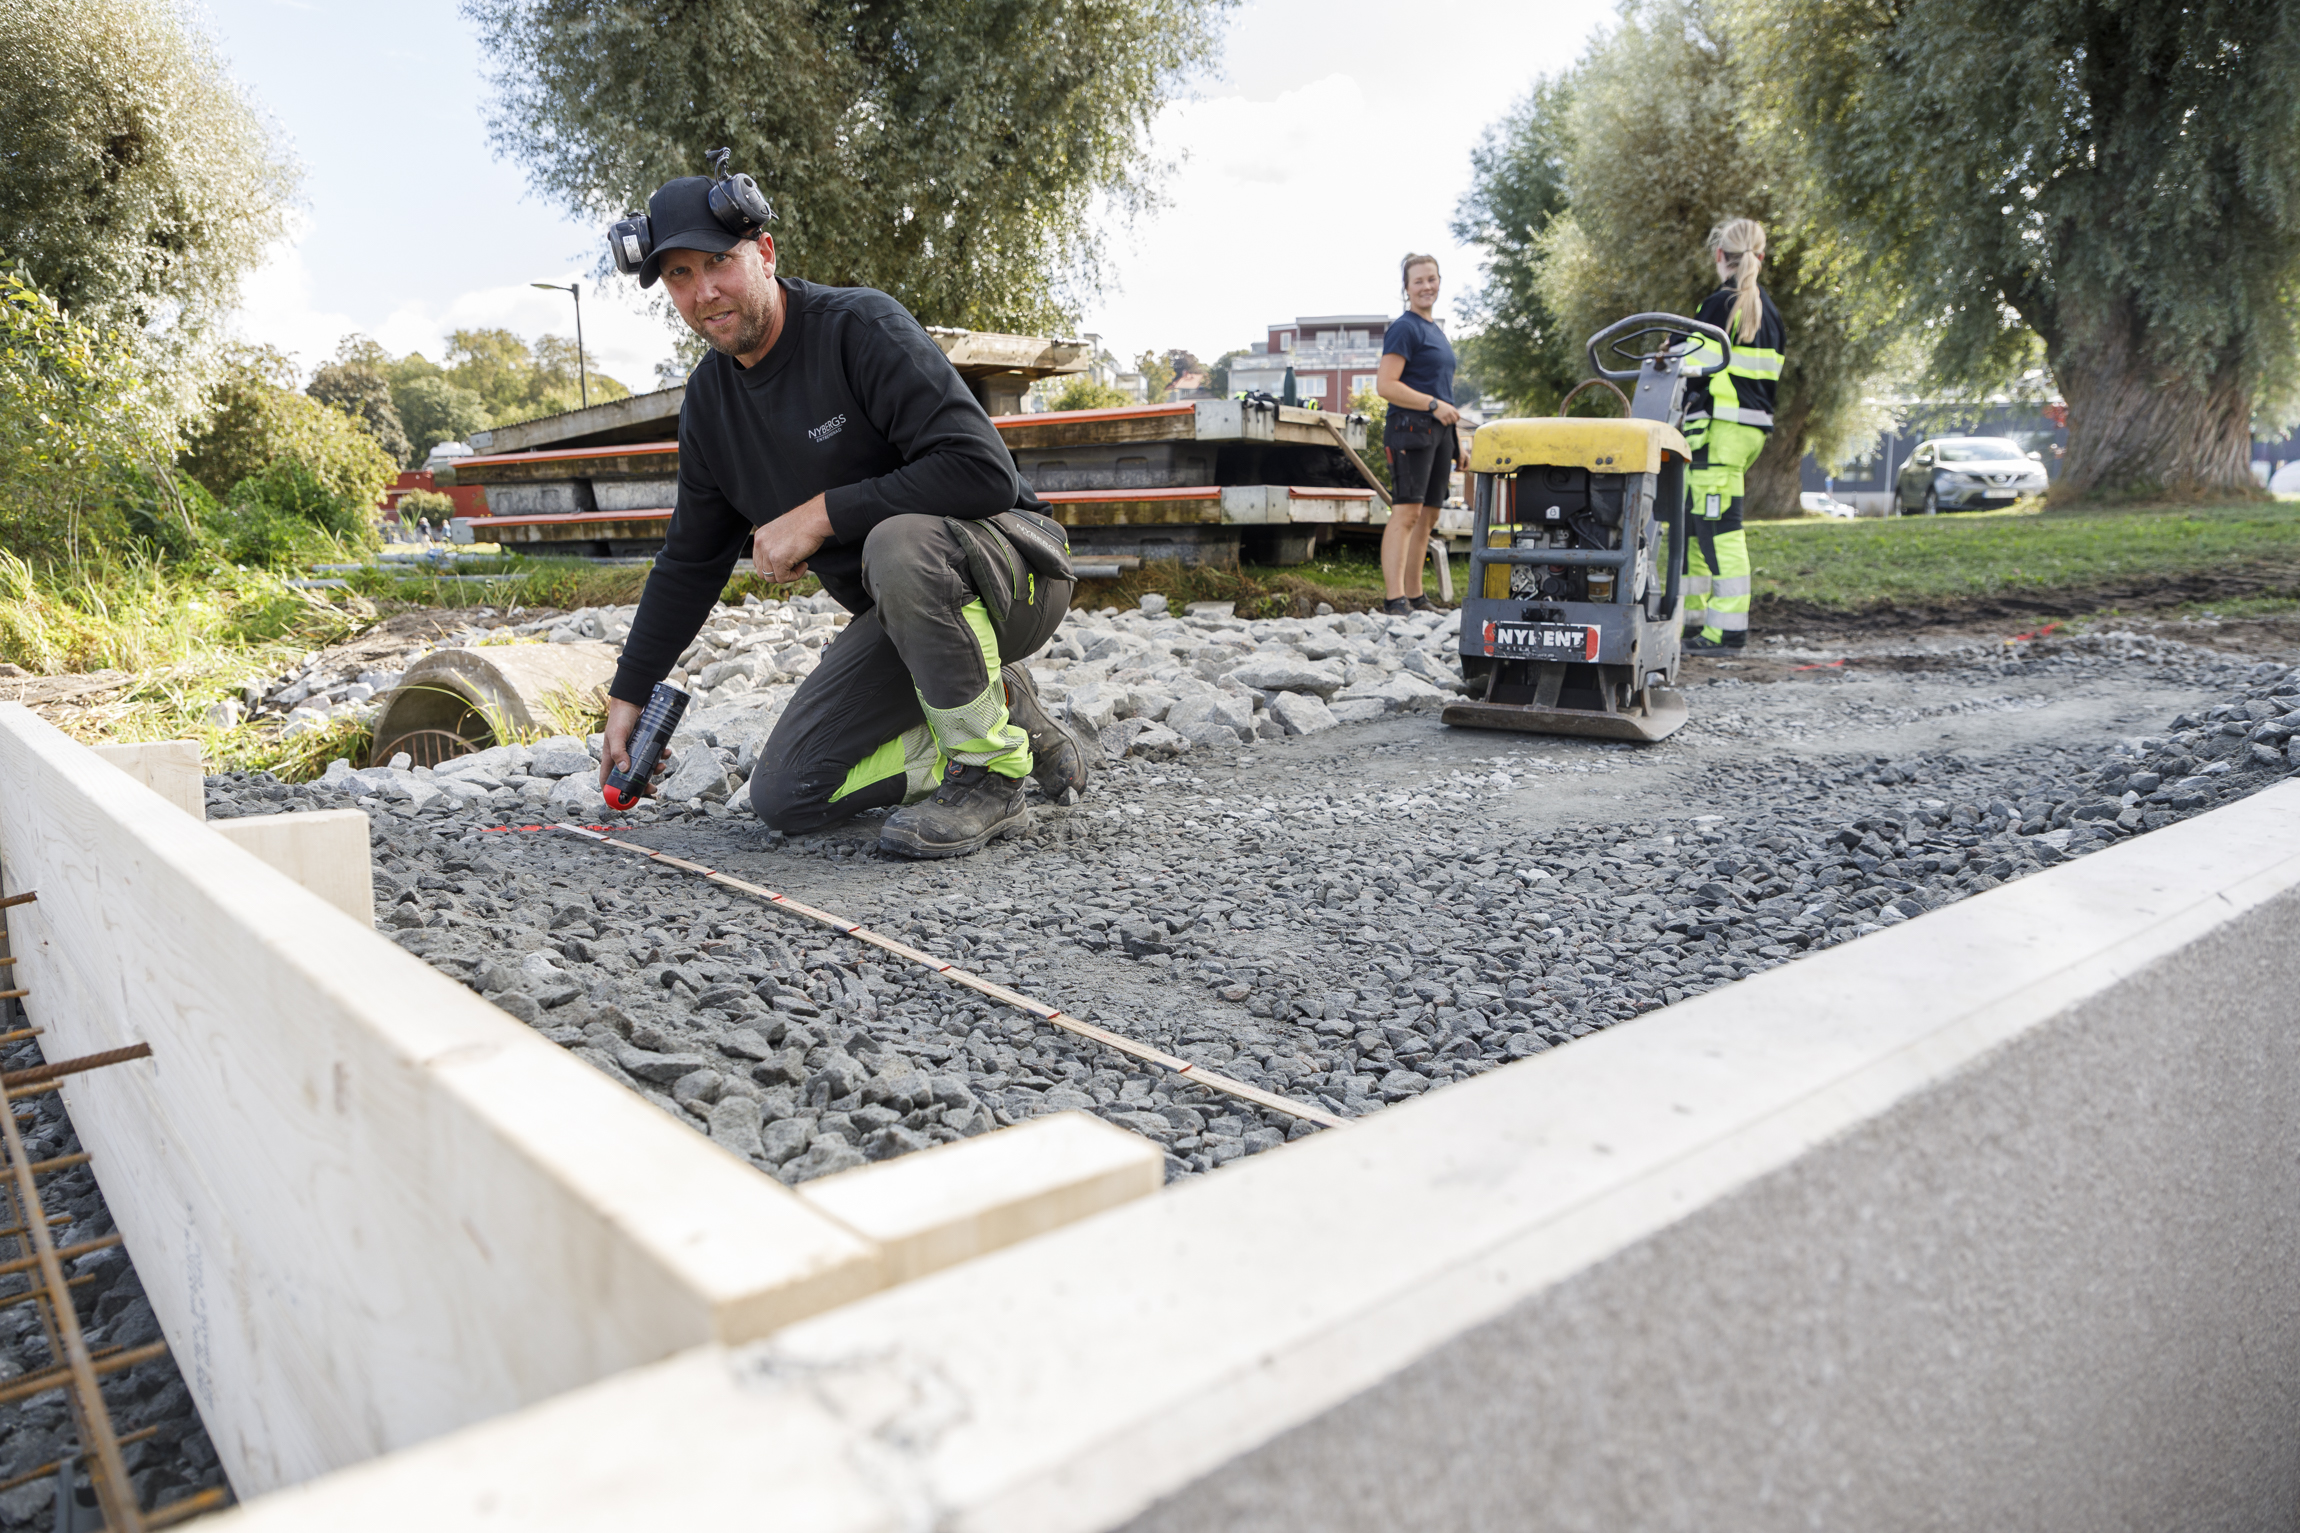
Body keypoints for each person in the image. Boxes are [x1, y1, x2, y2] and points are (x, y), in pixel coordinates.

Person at [595, 167, 1090, 858]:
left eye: (719, 261)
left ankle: (989, 776)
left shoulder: (858, 326)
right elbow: (689, 562)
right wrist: (629, 695)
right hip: (906, 614)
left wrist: (819, 514)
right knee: (788, 795)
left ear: (763, 253)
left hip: (1017, 573)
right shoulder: (709, 404)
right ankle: (1000, 714)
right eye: (680, 275)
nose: (704, 291)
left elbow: (984, 473)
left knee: (897, 542)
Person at [1680, 218, 1786, 652]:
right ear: (1759, 257)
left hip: (1718, 433)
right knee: (1696, 528)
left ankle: (1727, 630)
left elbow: (1694, 372)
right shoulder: (1771, 313)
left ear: (1720, 256)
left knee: (1719, 531)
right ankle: (1693, 620)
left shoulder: (1719, 306)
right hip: (1745, 434)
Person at [1374, 253, 1460, 616]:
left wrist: (1455, 442)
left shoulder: (1436, 330)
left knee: (1428, 516)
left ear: (1439, 281)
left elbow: (1443, 390)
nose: (1427, 286)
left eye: (1432, 279)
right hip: (1411, 429)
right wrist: (1430, 406)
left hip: (1439, 432)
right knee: (1406, 512)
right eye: (1419, 281)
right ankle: (1395, 601)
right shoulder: (1405, 327)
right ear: (1406, 288)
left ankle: (1416, 596)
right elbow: (1385, 385)